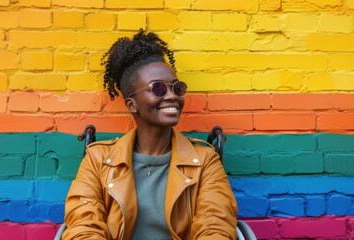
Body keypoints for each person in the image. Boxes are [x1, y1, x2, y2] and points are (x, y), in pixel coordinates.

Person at [63, 29, 238, 240]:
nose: (172, 96)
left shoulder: (205, 160)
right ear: (132, 104)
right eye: (158, 89)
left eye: (177, 87)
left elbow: (215, 226)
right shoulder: (98, 160)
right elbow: (83, 226)